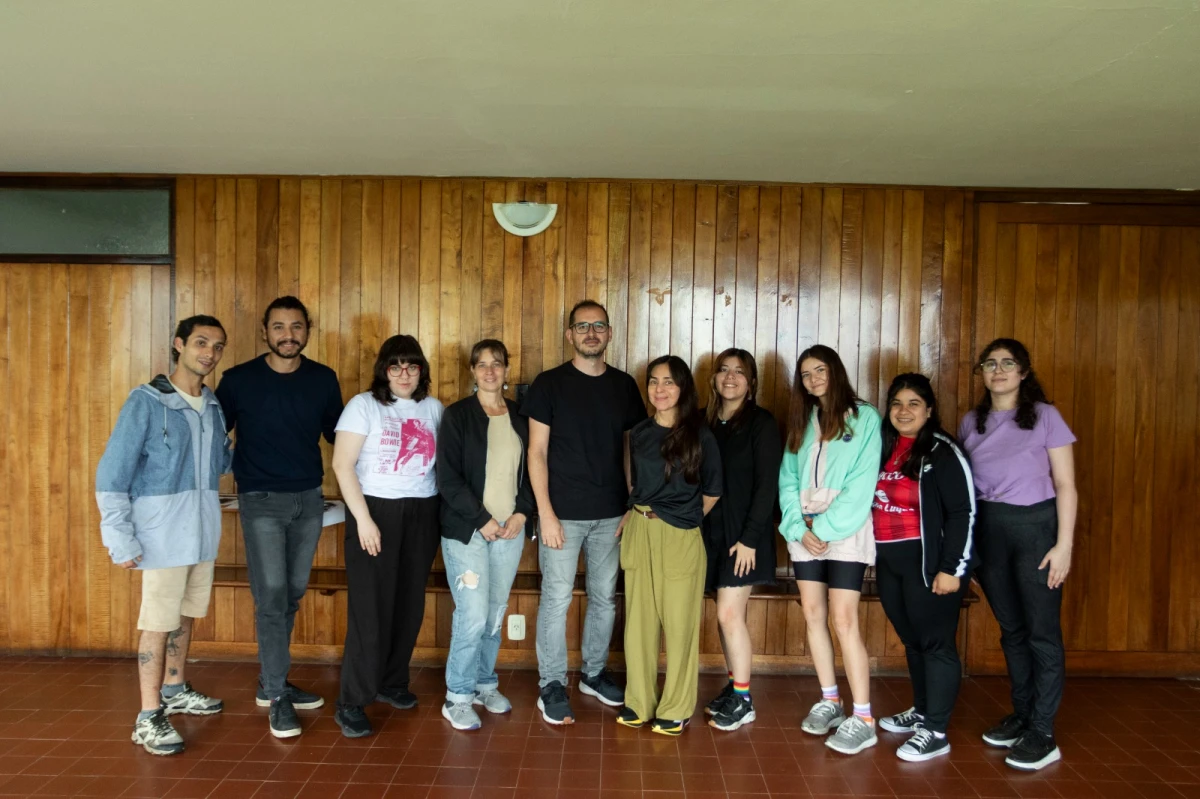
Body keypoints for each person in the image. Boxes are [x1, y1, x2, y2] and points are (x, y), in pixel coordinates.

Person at [96, 315, 231, 756]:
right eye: (200, 342)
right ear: (178, 345)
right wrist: (120, 537)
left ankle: (175, 688)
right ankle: (147, 716)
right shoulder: (146, 402)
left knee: (185, 616)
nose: (208, 353)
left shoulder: (212, 406)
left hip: (202, 533)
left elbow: (218, 467)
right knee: (156, 623)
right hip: (161, 535)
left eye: (216, 346)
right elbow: (112, 474)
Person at [214, 296, 344, 738]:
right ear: (264, 332)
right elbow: (213, 435)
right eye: (278, 327)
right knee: (271, 599)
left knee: (289, 594)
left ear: (308, 329)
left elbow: (339, 436)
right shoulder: (237, 380)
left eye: (296, 327)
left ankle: (273, 679)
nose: (288, 335)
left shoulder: (323, 379)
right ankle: (275, 694)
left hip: (308, 499)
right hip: (260, 501)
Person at [521, 300, 647, 725]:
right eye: (582, 326)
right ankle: (551, 684)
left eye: (598, 325)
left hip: (611, 514)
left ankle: (593, 674)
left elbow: (631, 450)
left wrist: (632, 503)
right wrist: (546, 513)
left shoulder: (625, 385)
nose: (591, 332)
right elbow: (536, 452)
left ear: (609, 333)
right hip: (563, 514)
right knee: (556, 598)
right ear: (570, 334)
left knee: (604, 599)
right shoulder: (549, 384)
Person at [959, 338, 1076, 772]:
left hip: (1036, 530)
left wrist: (1063, 546)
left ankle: (1043, 731)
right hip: (990, 531)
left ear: (1024, 372)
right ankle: (1024, 714)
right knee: (1011, 629)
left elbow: (1066, 484)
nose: (999, 370)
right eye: (990, 364)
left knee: (1041, 632)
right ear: (983, 373)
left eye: (1008, 363)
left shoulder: (1046, 417)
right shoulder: (972, 421)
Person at [330, 335, 443, 738]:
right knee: (370, 610)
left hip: (423, 512)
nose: (404, 374)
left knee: (408, 605)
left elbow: (441, 466)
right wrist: (363, 520)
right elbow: (342, 466)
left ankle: (392, 682)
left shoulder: (433, 408)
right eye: (395, 366)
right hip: (375, 511)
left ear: (421, 371)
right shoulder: (364, 405)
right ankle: (352, 701)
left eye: (412, 366)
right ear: (384, 370)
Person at [779, 344, 881, 755]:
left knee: (843, 620)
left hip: (844, 529)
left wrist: (822, 527)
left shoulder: (865, 416)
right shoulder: (802, 419)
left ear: (836, 371)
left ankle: (864, 717)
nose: (813, 379)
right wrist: (795, 526)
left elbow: (862, 484)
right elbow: (787, 478)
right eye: (805, 374)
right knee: (813, 614)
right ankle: (829, 700)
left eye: (820, 370)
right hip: (802, 530)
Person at [616, 355, 722, 736]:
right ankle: (639, 703)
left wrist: (680, 517)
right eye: (654, 382)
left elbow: (712, 491)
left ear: (683, 388)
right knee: (639, 625)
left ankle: (676, 707)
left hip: (679, 535)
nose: (660, 389)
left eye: (669, 382)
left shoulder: (700, 434)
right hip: (640, 532)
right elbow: (635, 483)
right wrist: (636, 512)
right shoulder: (640, 432)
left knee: (678, 627)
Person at [873, 373, 976, 762]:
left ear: (929, 410)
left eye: (913, 403)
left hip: (928, 563)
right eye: (897, 403)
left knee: (936, 644)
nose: (904, 411)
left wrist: (952, 568)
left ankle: (935, 731)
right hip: (889, 560)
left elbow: (962, 512)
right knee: (913, 640)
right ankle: (921, 711)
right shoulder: (883, 446)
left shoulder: (942, 451)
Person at [437, 339, 535, 731]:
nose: (490, 371)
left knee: (494, 612)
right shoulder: (458, 415)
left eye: (497, 364)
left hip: (509, 530)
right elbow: (448, 479)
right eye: (482, 364)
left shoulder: (520, 416)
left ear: (507, 370)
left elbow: (532, 472)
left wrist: (522, 513)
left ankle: (482, 683)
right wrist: (483, 520)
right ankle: (457, 696)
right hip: (468, 532)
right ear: (472, 371)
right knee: (473, 613)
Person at [701, 349, 781, 732]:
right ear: (714, 378)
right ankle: (735, 686)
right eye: (723, 370)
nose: (730, 377)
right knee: (724, 614)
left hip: (744, 537)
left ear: (751, 383)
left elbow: (768, 486)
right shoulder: (707, 422)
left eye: (740, 372)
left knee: (729, 614)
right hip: (712, 534)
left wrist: (750, 538)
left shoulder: (761, 423)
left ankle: (745, 699)